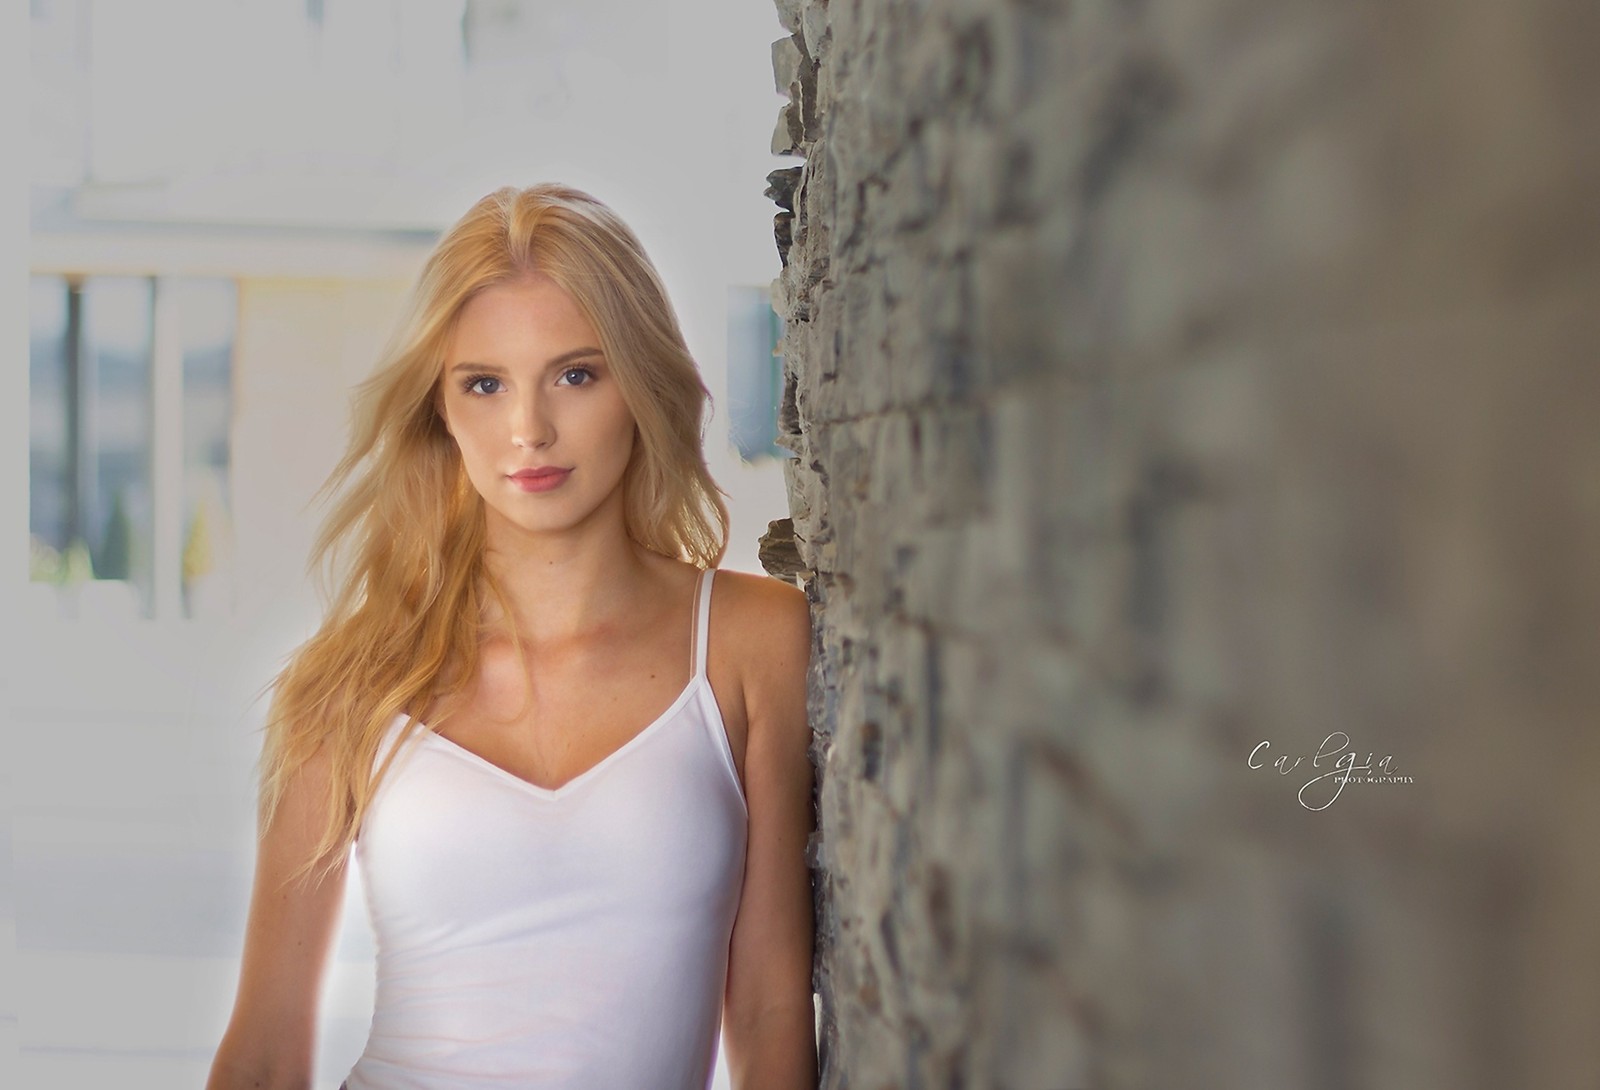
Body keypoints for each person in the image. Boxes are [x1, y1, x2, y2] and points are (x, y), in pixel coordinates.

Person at [205, 184, 819, 1089]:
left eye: (576, 374)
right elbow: (263, 1051)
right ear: (441, 412)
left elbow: (769, 1012)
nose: (528, 430)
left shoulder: (750, 641)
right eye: (484, 385)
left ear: (639, 383)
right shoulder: (347, 685)